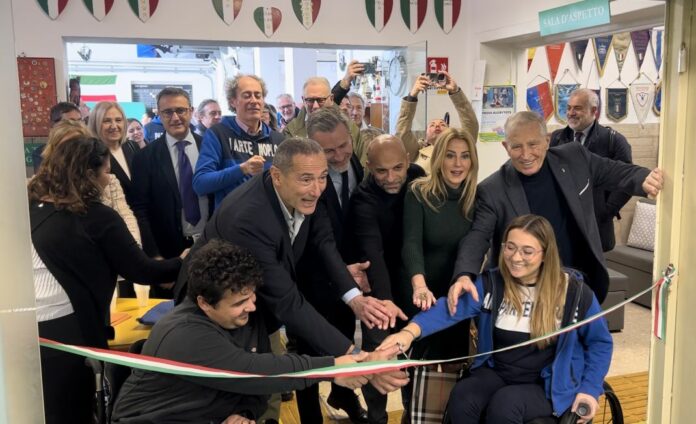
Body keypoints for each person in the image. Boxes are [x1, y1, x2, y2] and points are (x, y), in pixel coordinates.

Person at [173, 138, 409, 396]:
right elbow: (286, 300)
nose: (317, 189)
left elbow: (323, 241)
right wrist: (355, 357)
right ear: (277, 176)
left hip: (254, 305)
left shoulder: (305, 194)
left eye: (322, 177)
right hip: (213, 309)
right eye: (306, 179)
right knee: (229, 392)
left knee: (262, 396)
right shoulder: (248, 219)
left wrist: (354, 298)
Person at [112, 239, 398, 424]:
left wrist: (242, 413)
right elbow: (255, 372)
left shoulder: (245, 320)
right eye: (239, 303)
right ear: (204, 303)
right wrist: (332, 367)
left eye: (251, 296)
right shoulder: (184, 333)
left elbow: (257, 388)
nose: (250, 307)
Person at [380, 215, 613, 424]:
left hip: (548, 382)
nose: (515, 257)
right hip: (498, 372)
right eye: (510, 247)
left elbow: (600, 343)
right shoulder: (492, 284)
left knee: (505, 405)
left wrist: (590, 389)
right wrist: (409, 332)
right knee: (463, 397)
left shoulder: (574, 293)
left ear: (545, 254)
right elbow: (448, 310)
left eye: (527, 251)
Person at [29, 133, 183, 424]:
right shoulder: (96, 217)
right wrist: (184, 261)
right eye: (106, 171)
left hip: (26, 331)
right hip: (70, 332)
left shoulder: (30, 207)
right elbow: (142, 270)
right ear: (89, 175)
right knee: (72, 412)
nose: (109, 177)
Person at [449, 111, 664, 308]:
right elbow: (478, 236)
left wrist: (644, 178)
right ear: (506, 147)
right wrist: (464, 274)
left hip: (578, 281)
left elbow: (615, 171)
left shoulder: (575, 157)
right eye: (516, 147)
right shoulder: (491, 189)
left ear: (547, 140)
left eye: (533, 144)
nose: (526, 154)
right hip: (523, 292)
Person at [346, 134, 426, 423]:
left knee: (414, 358)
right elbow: (373, 254)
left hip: (414, 281)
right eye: (381, 170)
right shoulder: (362, 199)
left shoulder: (418, 176)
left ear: (408, 161)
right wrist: (385, 303)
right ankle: (376, 418)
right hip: (379, 287)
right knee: (377, 356)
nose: (391, 178)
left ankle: (411, 415)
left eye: (397, 168)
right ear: (368, 166)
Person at [131, 87, 212, 298]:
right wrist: (156, 260)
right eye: (167, 112)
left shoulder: (210, 148)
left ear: (191, 111)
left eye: (181, 110)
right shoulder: (145, 158)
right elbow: (140, 211)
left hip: (210, 246)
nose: (175, 117)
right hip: (168, 254)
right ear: (159, 114)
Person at [551, 88, 633, 252]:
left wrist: (605, 211)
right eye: (569, 108)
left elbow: (627, 180)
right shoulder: (557, 138)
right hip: (563, 227)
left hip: (597, 229)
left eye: (577, 108)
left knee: (594, 268)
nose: (571, 113)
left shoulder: (613, 141)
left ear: (594, 110)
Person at [193, 74, 285, 207]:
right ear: (232, 101)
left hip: (269, 216)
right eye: (247, 95)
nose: (254, 100)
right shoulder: (218, 134)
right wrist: (242, 169)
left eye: (258, 96)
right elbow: (200, 183)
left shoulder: (278, 139)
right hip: (231, 217)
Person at [395, 72, 478, 174]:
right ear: (426, 135)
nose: (437, 126)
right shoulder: (417, 151)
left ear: (449, 131)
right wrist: (412, 96)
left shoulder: (459, 147)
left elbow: (470, 123)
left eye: (443, 124)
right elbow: (402, 132)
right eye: (432, 125)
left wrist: (455, 92)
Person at [283, 75, 368, 166]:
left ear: (331, 99)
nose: (315, 106)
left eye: (321, 100)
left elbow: (362, 165)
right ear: (303, 100)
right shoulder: (291, 131)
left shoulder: (349, 127)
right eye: (310, 100)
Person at [88, 101, 136, 205]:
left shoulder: (132, 146)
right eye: (107, 121)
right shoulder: (91, 156)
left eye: (118, 120)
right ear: (96, 124)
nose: (114, 126)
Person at [32, 101, 82, 172]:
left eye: (79, 121)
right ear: (55, 125)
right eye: (70, 122)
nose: (78, 126)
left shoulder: (90, 149)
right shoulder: (41, 153)